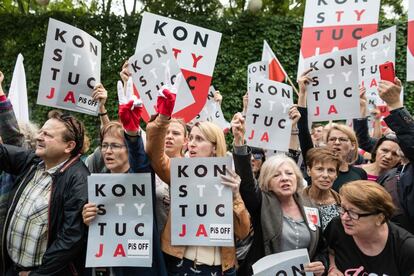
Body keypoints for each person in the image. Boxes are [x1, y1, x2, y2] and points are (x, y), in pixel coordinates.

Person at [145, 86, 251, 275]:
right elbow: (155, 156)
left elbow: (242, 232)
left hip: (221, 268)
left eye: (199, 139)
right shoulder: (181, 172)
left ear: (214, 146)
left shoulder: (229, 177)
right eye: (191, 138)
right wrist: (162, 119)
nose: (192, 143)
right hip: (182, 264)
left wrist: (235, 196)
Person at [82, 79, 167, 275]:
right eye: (104, 145)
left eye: (115, 146)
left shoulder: (141, 176)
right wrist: (87, 218)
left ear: (127, 149)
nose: (108, 151)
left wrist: (131, 132)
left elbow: (140, 159)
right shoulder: (97, 182)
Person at [231, 112, 328, 276]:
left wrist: (321, 263)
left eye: (289, 174)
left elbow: (320, 247)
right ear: (267, 182)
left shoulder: (310, 206)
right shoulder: (261, 203)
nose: (284, 178)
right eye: (276, 175)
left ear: (297, 178)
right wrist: (240, 142)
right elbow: (247, 182)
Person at [0, 111, 89, 276]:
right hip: (13, 269)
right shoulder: (34, 162)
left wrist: (38, 275)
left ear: (69, 146)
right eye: (41, 131)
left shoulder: (79, 180)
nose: (39, 137)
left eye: (47, 135)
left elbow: (70, 239)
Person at [297, 69, 367, 192]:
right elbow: (303, 131)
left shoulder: (360, 174)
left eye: (342, 139)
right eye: (332, 139)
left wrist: (361, 107)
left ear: (353, 145)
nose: (337, 142)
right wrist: (302, 93)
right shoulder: (315, 166)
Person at [325, 180, 414, 275]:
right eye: (343, 208)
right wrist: (332, 267)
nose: (344, 217)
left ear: (380, 218)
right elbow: (328, 250)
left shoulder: (406, 248)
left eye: (353, 213)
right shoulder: (337, 226)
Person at [302, 147, 341, 230]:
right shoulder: (296, 201)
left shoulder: (342, 204)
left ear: (336, 175)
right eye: (320, 169)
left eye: (331, 170)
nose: (325, 175)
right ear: (309, 171)